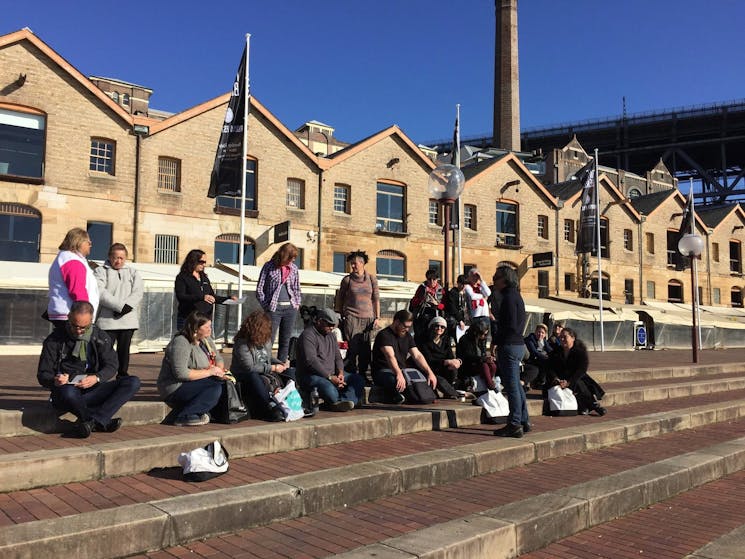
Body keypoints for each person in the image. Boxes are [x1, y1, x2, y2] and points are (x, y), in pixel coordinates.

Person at [37, 301, 141, 438]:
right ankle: (96, 421)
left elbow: (112, 365)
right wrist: (55, 380)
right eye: (75, 326)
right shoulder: (54, 340)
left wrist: (96, 378)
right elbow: (43, 374)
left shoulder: (99, 336)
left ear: (91, 321)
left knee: (132, 382)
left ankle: (95, 421)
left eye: (84, 327)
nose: (79, 331)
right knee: (68, 392)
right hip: (66, 392)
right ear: (68, 317)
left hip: (92, 388)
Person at [157, 311, 227, 426]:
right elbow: (181, 373)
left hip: (199, 381)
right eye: (207, 327)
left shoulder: (206, 340)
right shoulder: (181, 342)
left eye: (211, 326)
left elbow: (218, 359)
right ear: (196, 328)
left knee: (224, 384)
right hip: (175, 387)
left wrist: (218, 370)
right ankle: (186, 415)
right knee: (215, 388)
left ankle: (212, 413)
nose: (210, 329)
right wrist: (210, 372)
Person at [295, 308, 364, 411]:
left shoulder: (331, 336)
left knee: (358, 379)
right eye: (329, 325)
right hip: (312, 375)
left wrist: (340, 372)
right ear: (319, 321)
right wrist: (330, 377)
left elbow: (337, 357)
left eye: (334, 325)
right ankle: (344, 400)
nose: (332, 328)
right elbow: (311, 361)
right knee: (329, 389)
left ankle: (341, 401)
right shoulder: (308, 335)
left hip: (332, 374)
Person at [94, 243, 144, 378]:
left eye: (122, 258)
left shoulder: (133, 272)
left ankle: (122, 376)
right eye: (116, 257)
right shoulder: (100, 271)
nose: (118, 261)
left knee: (124, 350)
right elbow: (100, 292)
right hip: (107, 321)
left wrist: (126, 307)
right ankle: (102, 376)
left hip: (128, 321)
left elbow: (138, 291)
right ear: (109, 257)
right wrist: (119, 307)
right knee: (104, 350)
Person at [491, 265, 530, 438]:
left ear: (504, 279)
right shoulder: (516, 296)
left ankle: (514, 424)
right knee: (516, 385)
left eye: (496, 277)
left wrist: (497, 341)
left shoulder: (508, 298)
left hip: (510, 345)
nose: (494, 280)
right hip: (518, 344)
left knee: (512, 386)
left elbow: (509, 325)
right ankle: (523, 420)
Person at [231, 310, 288, 422]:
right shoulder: (242, 344)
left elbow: (268, 357)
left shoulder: (265, 341)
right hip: (245, 376)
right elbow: (249, 367)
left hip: (264, 371)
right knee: (254, 376)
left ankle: (291, 402)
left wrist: (280, 363)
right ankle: (269, 405)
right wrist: (273, 368)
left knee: (290, 372)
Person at [371, 309, 437, 404]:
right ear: (397, 322)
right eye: (405, 326)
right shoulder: (384, 335)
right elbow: (390, 356)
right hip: (383, 371)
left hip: (402, 371)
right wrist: (398, 373)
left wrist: (430, 372)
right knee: (395, 381)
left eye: (409, 327)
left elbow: (417, 355)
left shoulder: (407, 336)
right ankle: (401, 397)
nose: (407, 329)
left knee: (423, 378)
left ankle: (424, 396)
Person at [335, 250, 380, 376]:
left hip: (368, 318)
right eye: (351, 263)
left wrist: (377, 317)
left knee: (365, 349)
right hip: (351, 317)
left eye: (355, 263)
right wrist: (338, 313)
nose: (353, 266)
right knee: (352, 347)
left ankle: (363, 373)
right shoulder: (347, 280)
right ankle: (351, 373)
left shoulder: (371, 279)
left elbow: (376, 299)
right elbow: (340, 298)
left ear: (362, 263)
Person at [256, 242, 302, 363]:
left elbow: (296, 288)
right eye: (290, 258)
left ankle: (281, 367)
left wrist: (296, 303)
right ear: (284, 255)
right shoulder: (269, 266)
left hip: (290, 309)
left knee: (285, 340)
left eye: (294, 258)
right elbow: (260, 288)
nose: (292, 261)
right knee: (268, 339)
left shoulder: (294, 268)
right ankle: (266, 365)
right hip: (273, 309)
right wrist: (266, 305)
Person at [546, 327, 607, 416]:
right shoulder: (556, 351)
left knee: (579, 382)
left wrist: (569, 382)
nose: (562, 339)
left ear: (573, 338)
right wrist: (556, 379)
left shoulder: (580, 352)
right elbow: (550, 368)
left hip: (574, 378)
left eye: (565, 337)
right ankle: (592, 405)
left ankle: (588, 406)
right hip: (558, 380)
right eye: (561, 337)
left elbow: (581, 369)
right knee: (578, 384)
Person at [47, 227, 99, 330]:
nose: (90, 245)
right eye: (88, 242)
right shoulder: (72, 261)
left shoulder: (66, 258)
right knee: (75, 346)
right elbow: (78, 291)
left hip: (68, 314)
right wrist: (85, 315)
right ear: (79, 242)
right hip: (73, 317)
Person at [174, 250, 233, 330]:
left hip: (204, 320)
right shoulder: (182, 277)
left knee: (205, 342)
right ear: (193, 261)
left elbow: (212, 296)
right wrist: (202, 297)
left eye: (205, 262)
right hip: (188, 318)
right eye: (201, 262)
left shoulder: (204, 278)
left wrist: (228, 299)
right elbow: (181, 296)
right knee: (187, 341)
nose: (204, 264)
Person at [417, 316, 461, 399]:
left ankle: (450, 391)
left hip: (441, 368)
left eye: (442, 327)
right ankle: (453, 393)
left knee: (453, 368)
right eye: (436, 326)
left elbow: (450, 356)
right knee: (440, 379)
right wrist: (446, 361)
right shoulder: (423, 340)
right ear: (431, 326)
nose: (439, 328)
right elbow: (428, 359)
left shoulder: (446, 340)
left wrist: (457, 361)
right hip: (428, 368)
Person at [456, 318, 497, 391]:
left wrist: (487, 358)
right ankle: (490, 385)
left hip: (478, 362)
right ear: (475, 332)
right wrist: (483, 359)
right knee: (484, 366)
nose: (484, 336)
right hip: (468, 364)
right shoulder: (465, 339)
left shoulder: (482, 340)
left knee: (492, 365)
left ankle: (488, 382)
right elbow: (468, 356)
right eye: (483, 334)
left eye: (486, 334)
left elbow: (483, 353)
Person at [409, 269, 444, 344]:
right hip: (421, 316)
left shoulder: (441, 290)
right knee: (419, 339)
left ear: (437, 279)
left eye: (434, 279)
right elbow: (414, 303)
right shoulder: (422, 288)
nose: (431, 282)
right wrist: (422, 298)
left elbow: (445, 306)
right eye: (429, 279)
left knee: (432, 339)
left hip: (435, 316)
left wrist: (437, 305)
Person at [524, 323, 551, 389]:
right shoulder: (530, 339)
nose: (540, 334)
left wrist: (555, 355)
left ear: (545, 335)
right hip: (530, 360)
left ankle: (544, 381)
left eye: (542, 333)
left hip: (539, 359)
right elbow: (534, 352)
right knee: (545, 362)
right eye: (539, 332)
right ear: (535, 331)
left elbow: (549, 349)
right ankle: (542, 381)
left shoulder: (543, 341)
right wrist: (546, 357)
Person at [444, 274, 470, 340]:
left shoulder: (466, 293)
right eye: (462, 284)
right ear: (458, 283)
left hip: (464, 321)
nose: (464, 286)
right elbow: (452, 308)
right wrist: (460, 320)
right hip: (454, 321)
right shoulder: (453, 293)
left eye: (465, 284)